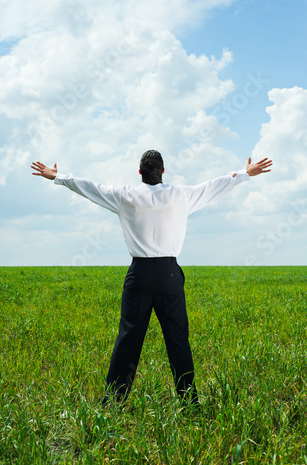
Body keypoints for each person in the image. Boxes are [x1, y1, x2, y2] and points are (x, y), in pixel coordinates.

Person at [31, 151, 272, 407]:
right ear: (163, 171)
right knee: (177, 338)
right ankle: (189, 401)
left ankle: (113, 402)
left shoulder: (125, 195)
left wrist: (58, 177)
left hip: (140, 275)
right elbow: (217, 184)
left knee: (129, 338)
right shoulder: (181, 195)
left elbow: (90, 187)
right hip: (169, 275)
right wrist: (245, 174)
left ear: (140, 173)